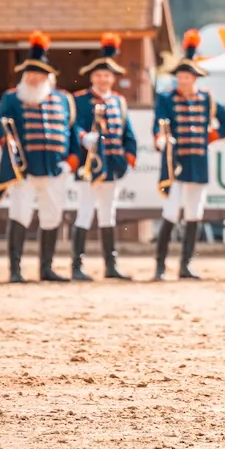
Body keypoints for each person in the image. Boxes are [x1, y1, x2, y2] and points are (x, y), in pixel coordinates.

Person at [0, 32, 80, 284]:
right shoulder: (12, 98)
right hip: (24, 169)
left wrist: (71, 162)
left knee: (52, 216)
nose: (34, 78)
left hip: (54, 168)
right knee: (19, 215)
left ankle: (46, 268)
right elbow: (2, 129)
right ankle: (15, 269)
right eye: (31, 73)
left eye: (40, 73)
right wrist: (11, 153)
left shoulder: (63, 99)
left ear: (48, 76)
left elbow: (72, 132)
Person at [152, 30, 225, 281]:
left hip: (198, 163)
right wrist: (161, 139)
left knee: (194, 214)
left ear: (194, 78)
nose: (183, 80)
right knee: (170, 212)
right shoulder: (166, 98)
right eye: (179, 76)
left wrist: (211, 137)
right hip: (175, 163)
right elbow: (159, 123)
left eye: (187, 76)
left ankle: (185, 264)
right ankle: (160, 265)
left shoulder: (206, 99)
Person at [72, 33, 137, 281]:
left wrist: (128, 157)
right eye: (99, 75)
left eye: (107, 75)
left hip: (112, 165)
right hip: (90, 165)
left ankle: (111, 265)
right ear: (92, 77)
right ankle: (76, 266)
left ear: (113, 78)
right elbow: (74, 126)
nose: (103, 79)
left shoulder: (119, 102)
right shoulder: (80, 100)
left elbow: (127, 133)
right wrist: (83, 137)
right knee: (85, 212)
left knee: (108, 213)